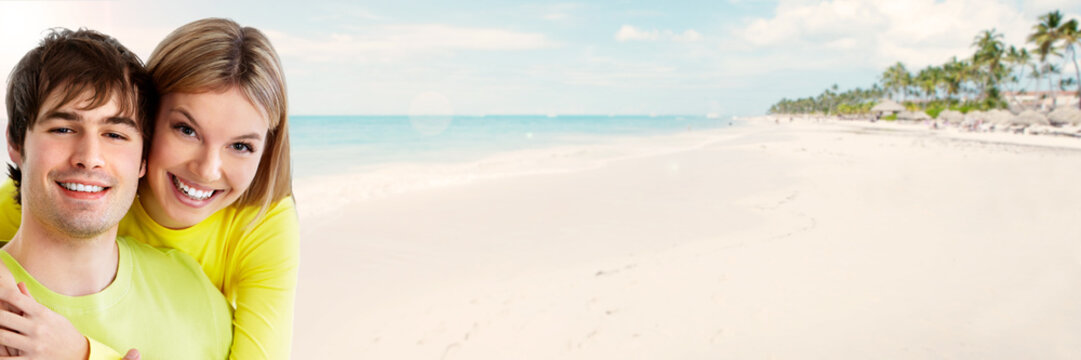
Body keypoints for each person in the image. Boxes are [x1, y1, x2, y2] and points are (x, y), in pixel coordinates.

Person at [0, 18, 300, 359]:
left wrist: (85, 354)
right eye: (186, 130)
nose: (207, 169)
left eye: (242, 146)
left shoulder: (259, 229)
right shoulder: (48, 193)